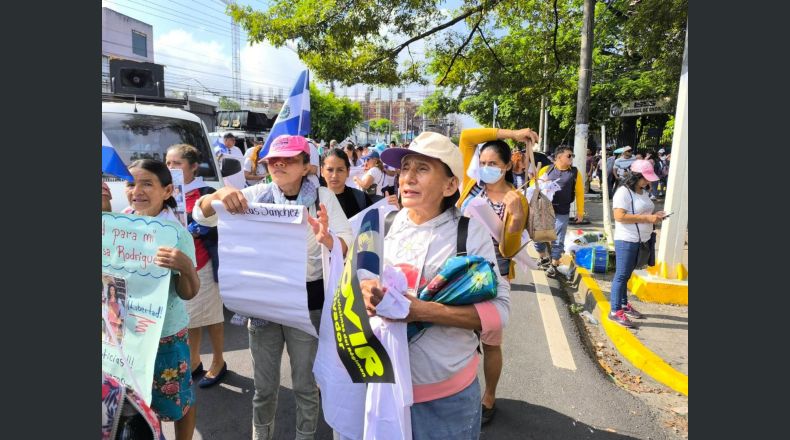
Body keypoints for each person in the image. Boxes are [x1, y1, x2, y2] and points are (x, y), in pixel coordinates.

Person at [193, 134, 353, 440]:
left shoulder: (323, 198)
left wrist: (329, 240)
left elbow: (347, 241)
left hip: (308, 305)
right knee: (264, 388)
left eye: (289, 159)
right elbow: (202, 215)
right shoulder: (254, 195)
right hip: (264, 305)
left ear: (306, 166)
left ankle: (304, 436)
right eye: (273, 160)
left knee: (306, 386)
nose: (279, 164)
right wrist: (220, 194)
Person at [361, 131, 510, 439]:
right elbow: (359, 284)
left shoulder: (469, 234)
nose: (408, 178)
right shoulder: (384, 223)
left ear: (450, 185)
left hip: (448, 402)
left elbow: (499, 313)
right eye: (405, 168)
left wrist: (422, 311)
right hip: (384, 389)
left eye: (423, 169)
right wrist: (364, 295)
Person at [457, 126, 534, 425]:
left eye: (494, 164)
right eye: (483, 163)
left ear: (506, 167)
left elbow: (510, 248)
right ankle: (459, 388)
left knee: (490, 342)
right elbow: (466, 138)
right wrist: (511, 133)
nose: (487, 169)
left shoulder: (517, 199)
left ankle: (489, 396)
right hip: (459, 272)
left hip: (494, 277)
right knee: (454, 334)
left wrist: (514, 221)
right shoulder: (469, 185)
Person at [123, 159, 200, 440]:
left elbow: (188, 292)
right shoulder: (120, 225)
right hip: (127, 333)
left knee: (179, 399)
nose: (137, 191)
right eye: (131, 183)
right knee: (133, 402)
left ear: (167, 190)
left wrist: (185, 267)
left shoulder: (177, 234)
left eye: (147, 184)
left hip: (165, 334)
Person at [166, 144, 228, 388]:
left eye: (177, 164)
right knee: (189, 317)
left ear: (193, 167)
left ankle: (219, 361)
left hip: (203, 263)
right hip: (179, 264)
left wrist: (200, 227)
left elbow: (219, 224)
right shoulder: (167, 191)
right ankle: (193, 361)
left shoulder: (206, 191)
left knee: (213, 316)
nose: (171, 168)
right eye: (168, 163)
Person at [610, 160, 666, 328]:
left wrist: (656, 215)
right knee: (621, 275)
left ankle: (624, 304)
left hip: (641, 240)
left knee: (627, 274)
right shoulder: (623, 192)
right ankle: (615, 311)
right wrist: (648, 218)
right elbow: (619, 216)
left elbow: (643, 211)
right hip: (626, 239)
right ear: (636, 176)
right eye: (645, 178)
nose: (649, 181)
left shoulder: (642, 192)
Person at [530, 146, 585, 278]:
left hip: (563, 210)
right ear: (559, 157)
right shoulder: (546, 170)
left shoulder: (575, 173)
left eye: (572, 156)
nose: (572, 158)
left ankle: (553, 265)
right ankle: (543, 258)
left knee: (558, 239)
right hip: (544, 209)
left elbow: (579, 193)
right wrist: (539, 182)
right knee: (539, 236)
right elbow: (533, 185)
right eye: (569, 156)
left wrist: (580, 212)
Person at [321, 148, 374, 218]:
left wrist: (389, 206)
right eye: (330, 170)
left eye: (340, 170)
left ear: (348, 171)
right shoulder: (313, 201)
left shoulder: (361, 198)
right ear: (322, 171)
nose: (334, 175)